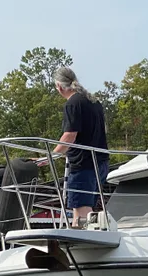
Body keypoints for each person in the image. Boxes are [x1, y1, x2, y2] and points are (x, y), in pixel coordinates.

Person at [38, 66, 109, 227]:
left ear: (59, 86)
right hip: (101, 163)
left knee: (81, 214)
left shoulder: (73, 104)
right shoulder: (94, 101)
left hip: (84, 165)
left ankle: (81, 238)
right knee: (89, 211)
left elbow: (69, 136)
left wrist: (50, 157)